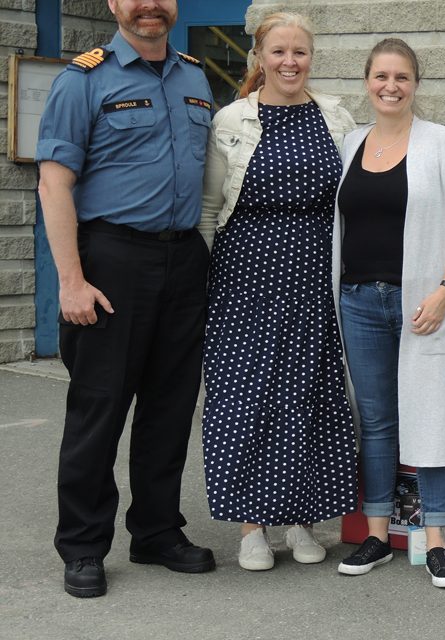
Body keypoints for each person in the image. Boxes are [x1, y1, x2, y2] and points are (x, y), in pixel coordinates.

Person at [35, 0, 216, 598]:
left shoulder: (194, 77)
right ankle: (83, 545)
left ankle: (156, 531)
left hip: (184, 258)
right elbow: (54, 183)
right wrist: (71, 281)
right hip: (112, 258)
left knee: (170, 407)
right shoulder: (82, 80)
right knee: (99, 409)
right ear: (114, 4)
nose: (149, 5)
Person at [198, 12, 358, 572]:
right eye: (279, 52)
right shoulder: (231, 120)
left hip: (315, 276)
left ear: (312, 57)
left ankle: (302, 520)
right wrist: (206, 282)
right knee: (246, 397)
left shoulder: (336, 117)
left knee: (309, 395)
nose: (290, 62)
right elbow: (209, 209)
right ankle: (252, 528)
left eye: (300, 52)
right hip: (246, 278)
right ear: (259, 58)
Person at [333, 38, 445, 588]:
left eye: (401, 77)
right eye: (381, 76)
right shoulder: (351, 143)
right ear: (367, 82)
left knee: (432, 414)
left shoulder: (442, 143)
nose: (390, 86)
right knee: (376, 421)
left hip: (424, 303)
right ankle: (377, 533)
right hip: (358, 301)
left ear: (416, 84)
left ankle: (436, 539)